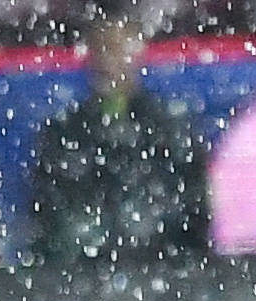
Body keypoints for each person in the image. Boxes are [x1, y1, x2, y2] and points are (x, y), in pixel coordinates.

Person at [20, 15, 207, 263]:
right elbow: (47, 219)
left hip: (155, 269)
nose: (108, 60)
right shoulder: (63, 133)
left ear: (136, 54)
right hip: (85, 274)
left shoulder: (170, 129)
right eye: (101, 48)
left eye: (117, 48)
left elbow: (193, 216)